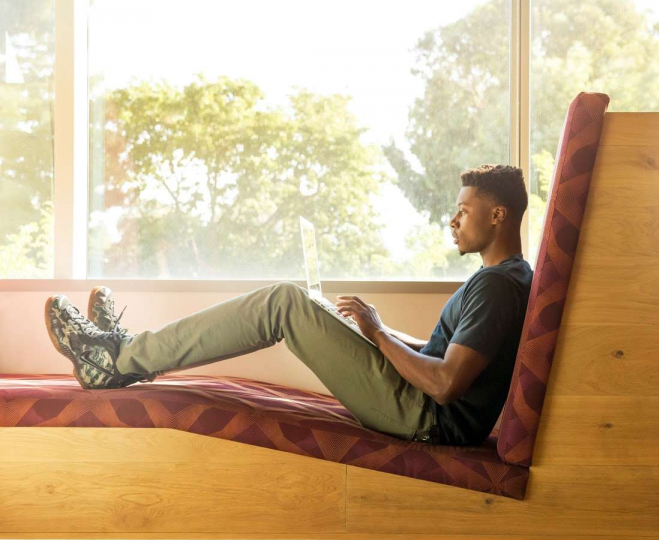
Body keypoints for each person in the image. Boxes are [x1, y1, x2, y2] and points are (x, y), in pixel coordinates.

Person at [43, 164, 533, 446]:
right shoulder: (503, 281)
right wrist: (372, 330)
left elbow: (446, 385)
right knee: (295, 303)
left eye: (463, 211)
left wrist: (380, 334)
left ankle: (121, 359)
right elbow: (440, 354)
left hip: (425, 419)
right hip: (419, 405)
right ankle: (126, 355)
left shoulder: (495, 287)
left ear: (497, 215)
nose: (452, 221)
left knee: (282, 302)